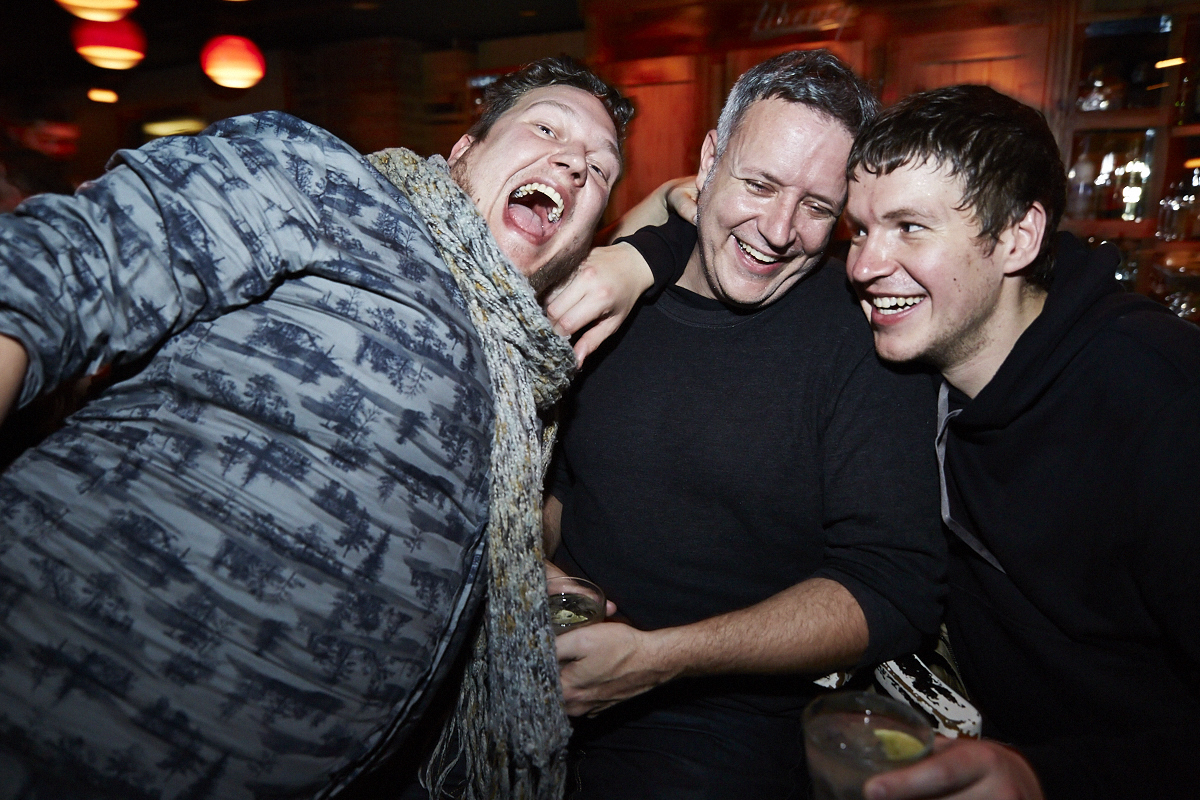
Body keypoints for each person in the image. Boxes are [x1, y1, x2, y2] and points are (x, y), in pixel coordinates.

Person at [0, 56, 632, 800]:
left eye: (600, 169)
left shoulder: (528, 376)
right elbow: (58, 269)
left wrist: (512, 568)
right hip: (54, 691)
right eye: (547, 129)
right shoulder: (333, 186)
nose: (574, 162)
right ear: (465, 149)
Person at [544, 50, 946, 799]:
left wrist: (659, 660)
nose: (778, 229)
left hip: (718, 736)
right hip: (537, 685)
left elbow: (893, 588)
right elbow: (565, 488)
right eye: (759, 184)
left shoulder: (862, 338)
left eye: (817, 206)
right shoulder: (611, 298)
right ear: (708, 160)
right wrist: (537, 568)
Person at [843, 85, 1200, 800]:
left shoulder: (1163, 400)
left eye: (910, 227)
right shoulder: (909, 348)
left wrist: (1043, 778)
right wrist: (645, 252)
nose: (863, 265)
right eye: (858, 229)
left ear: (1016, 238)